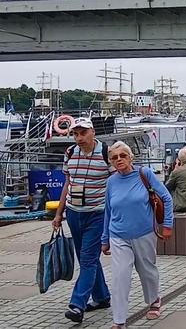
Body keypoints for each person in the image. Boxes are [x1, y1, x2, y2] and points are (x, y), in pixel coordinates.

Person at [101, 142, 173, 329]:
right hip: (118, 235)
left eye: (123, 156)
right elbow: (108, 210)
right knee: (120, 276)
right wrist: (105, 239)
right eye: (114, 158)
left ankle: (154, 300)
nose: (119, 160)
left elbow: (166, 197)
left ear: (130, 157)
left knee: (147, 270)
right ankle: (119, 321)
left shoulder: (144, 174)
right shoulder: (111, 182)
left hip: (144, 233)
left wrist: (167, 224)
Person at [52, 117, 113, 323]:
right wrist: (59, 213)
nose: (79, 138)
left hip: (97, 213)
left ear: (93, 132)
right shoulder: (70, 153)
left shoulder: (106, 153)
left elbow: (116, 184)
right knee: (87, 259)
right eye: (75, 134)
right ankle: (102, 297)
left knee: (87, 259)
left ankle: (77, 304)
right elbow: (67, 184)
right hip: (74, 213)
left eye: (83, 133)